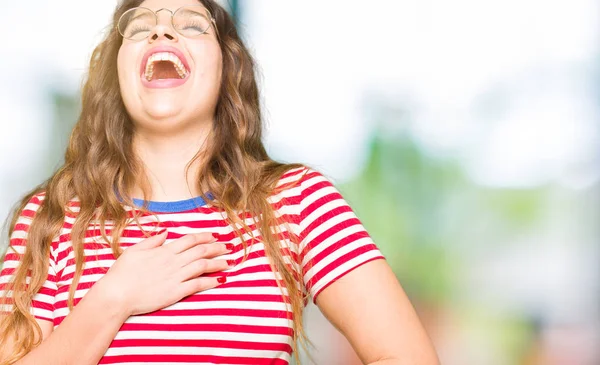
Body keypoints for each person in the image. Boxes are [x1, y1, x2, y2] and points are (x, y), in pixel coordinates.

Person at [0, 0, 440, 364]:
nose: (161, 33)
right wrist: (113, 299)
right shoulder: (50, 217)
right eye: (139, 28)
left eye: (192, 25)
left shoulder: (297, 202)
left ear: (228, 67)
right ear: (115, 75)